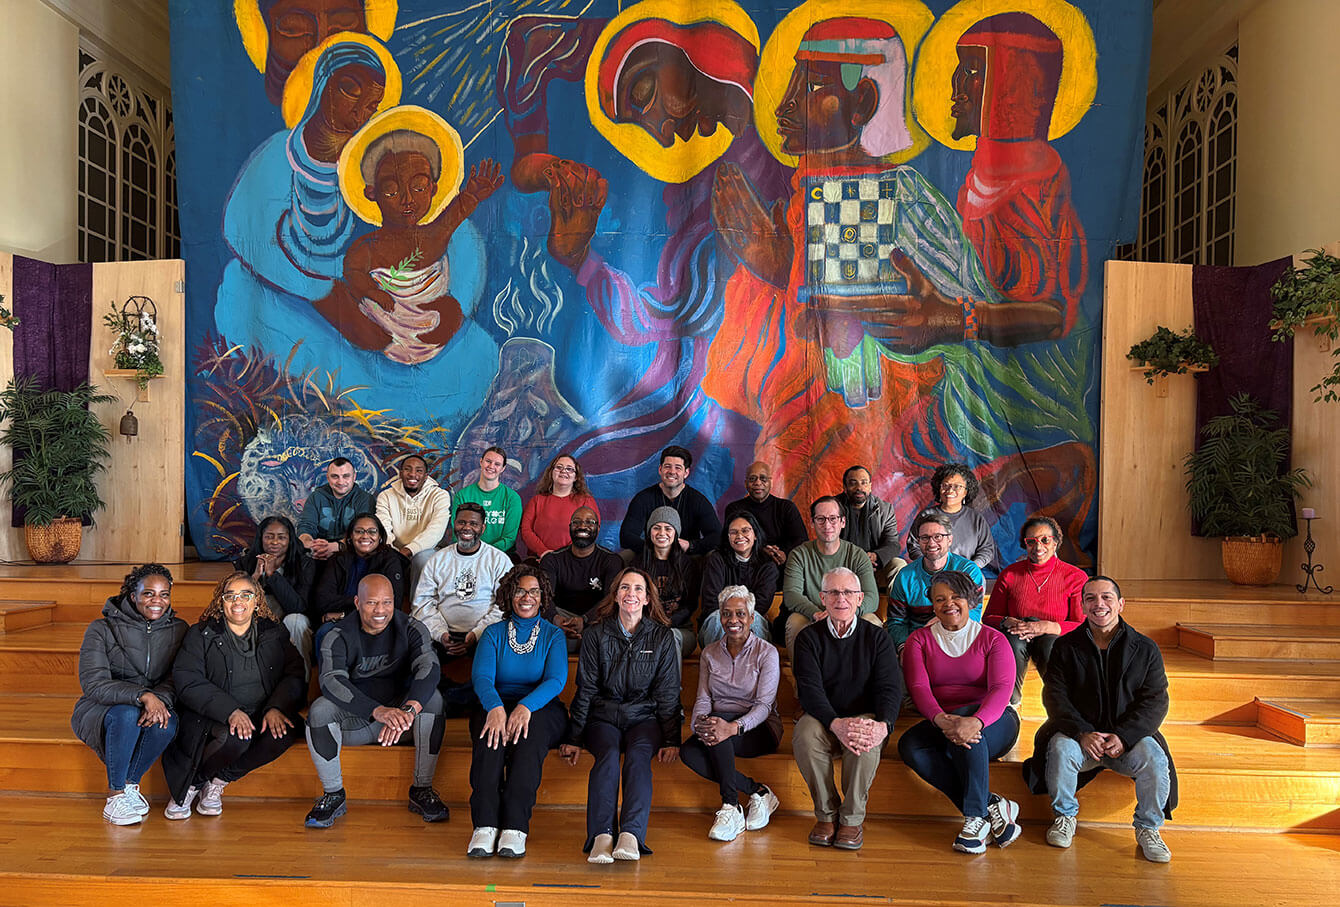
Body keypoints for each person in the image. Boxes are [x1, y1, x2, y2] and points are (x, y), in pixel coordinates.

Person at [1022, 577, 1177, 863]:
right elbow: (1055, 696)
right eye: (1091, 598)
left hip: (1127, 740)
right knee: (1060, 748)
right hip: (1081, 738)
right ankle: (1064, 817)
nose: (1099, 604)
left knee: (1155, 757)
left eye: (1106, 597)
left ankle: (1148, 828)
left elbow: (1155, 702)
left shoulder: (1145, 648)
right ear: (1082, 606)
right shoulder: (1065, 646)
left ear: (1121, 604)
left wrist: (1124, 736)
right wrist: (1082, 733)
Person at [950, 12, 1086, 338]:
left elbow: (1054, 314)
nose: (956, 89)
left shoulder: (1041, 188)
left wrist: (958, 320)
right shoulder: (971, 186)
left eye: (972, 71)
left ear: (1016, 84)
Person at [314, 137, 502, 362]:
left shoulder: (433, 236)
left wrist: (471, 196)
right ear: (372, 193)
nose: (407, 199)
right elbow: (353, 271)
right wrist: (371, 291)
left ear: (433, 189)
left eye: (419, 187)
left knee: (451, 310)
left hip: (429, 325)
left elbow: (457, 212)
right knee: (349, 310)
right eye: (392, 191)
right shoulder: (367, 248)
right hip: (379, 321)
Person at [305, 573, 448, 828]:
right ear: (357, 602)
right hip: (357, 721)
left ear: (395, 601)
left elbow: (429, 668)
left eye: (387, 602)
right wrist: (377, 711)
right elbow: (331, 681)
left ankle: (422, 789)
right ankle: (333, 795)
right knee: (319, 710)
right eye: (372, 603)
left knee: (434, 699)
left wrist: (408, 711)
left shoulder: (412, 628)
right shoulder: (337, 634)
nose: (380, 610)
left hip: (402, 723)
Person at [559, 567, 681, 863]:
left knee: (638, 757)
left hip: (644, 718)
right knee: (609, 756)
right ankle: (601, 836)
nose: (631, 594)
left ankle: (630, 835)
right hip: (603, 717)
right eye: (625, 587)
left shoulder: (662, 637)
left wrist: (671, 738)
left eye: (639, 589)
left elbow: (668, 693)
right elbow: (586, 689)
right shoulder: (595, 634)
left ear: (648, 599)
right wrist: (574, 737)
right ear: (615, 595)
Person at [162, 572, 306, 819]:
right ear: (221, 601)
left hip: (261, 710)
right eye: (230, 596)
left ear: (257, 600)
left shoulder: (274, 631)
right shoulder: (201, 633)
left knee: (283, 732)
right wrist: (230, 711)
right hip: (211, 715)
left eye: (245, 595)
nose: (238, 601)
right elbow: (188, 680)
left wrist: (276, 707)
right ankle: (191, 785)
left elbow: (294, 673)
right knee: (237, 737)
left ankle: (218, 781)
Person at [897, 571, 1022, 853]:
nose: (948, 604)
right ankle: (991, 804)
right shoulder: (918, 640)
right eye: (940, 599)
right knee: (910, 745)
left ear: (971, 600)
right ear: (932, 605)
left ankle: (975, 818)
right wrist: (941, 720)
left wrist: (976, 721)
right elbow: (918, 687)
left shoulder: (993, 639)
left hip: (995, 721)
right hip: (945, 722)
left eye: (956, 597)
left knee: (968, 734)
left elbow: (1001, 689)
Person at [792, 567, 902, 851]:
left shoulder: (878, 638)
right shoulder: (808, 638)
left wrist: (884, 725)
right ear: (822, 598)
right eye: (833, 592)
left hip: (866, 715)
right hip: (824, 718)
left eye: (848, 592)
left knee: (864, 735)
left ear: (860, 598)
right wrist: (835, 723)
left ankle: (851, 819)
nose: (841, 598)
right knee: (804, 733)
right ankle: (827, 815)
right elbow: (809, 690)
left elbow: (890, 688)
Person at [71, 564, 188, 826]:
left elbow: (177, 678)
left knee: (166, 722)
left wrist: (157, 700)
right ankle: (114, 798)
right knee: (126, 715)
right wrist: (143, 696)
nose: (157, 601)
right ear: (133, 595)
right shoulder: (101, 628)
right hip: (102, 706)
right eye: (148, 593)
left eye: (164, 594)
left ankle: (129, 786)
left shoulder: (179, 629)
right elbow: (94, 683)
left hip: (154, 703)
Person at [466, 565, 569, 859]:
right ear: (509, 595)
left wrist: (525, 707)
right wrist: (495, 707)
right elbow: (482, 678)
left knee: (528, 740)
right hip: (495, 702)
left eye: (534, 591)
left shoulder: (553, 635)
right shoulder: (493, 633)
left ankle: (514, 826)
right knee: (490, 739)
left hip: (541, 706)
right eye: (520, 591)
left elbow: (556, 680)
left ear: (543, 596)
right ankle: (485, 825)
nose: (527, 597)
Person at [680, 587, 782, 842]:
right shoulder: (709, 653)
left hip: (759, 729)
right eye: (726, 614)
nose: (732, 620)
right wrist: (699, 725)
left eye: (740, 613)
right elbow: (703, 699)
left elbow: (764, 706)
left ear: (752, 618)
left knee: (720, 730)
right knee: (688, 751)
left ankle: (731, 805)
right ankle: (757, 791)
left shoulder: (767, 652)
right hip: (720, 723)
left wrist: (732, 727)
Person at [983, 516, 1087, 705]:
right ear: (1025, 544)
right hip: (1018, 634)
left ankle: (1061, 704)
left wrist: (1045, 626)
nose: (1038, 547)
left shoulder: (1075, 576)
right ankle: (1010, 704)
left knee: (1050, 645)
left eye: (1045, 540)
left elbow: (1081, 624)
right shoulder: (1010, 574)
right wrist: (1007, 620)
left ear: (1055, 542)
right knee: (1012, 642)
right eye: (1031, 541)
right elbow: (989, 617)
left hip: (1054, 637)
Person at [779, 496, 879, 663]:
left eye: (833, 519)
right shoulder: (799, 555)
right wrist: (816, 613)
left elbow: (871, 597)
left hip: (850, 614)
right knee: (795, 621)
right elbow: (791, 595)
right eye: (821, 519)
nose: (827, 525)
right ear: (812, 523)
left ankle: (866, 678)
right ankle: (802, 678)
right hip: (814, 615)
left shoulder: (858, 555)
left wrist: (844, 614)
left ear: (843, 522)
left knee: (872, 621)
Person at [412, 502, 512, 667]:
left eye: (473, 524)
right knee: (420, 663)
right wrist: (441, 634)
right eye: (461, 522)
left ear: (483, 528)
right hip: (441, 636)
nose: (466, 528)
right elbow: (423, 603)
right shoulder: (437, 560)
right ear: (454, 524)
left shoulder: (499, 560)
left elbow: (504, 605)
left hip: (487, 635)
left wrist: (477, 634)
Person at [309, 513, 409, 665]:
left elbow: (392, 604)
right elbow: (322, 600)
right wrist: (363, 603)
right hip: (342, 624)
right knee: (325, 632)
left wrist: (343, 614)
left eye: (372, 531)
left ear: (380, 536)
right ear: (350, 536)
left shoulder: (390, 560)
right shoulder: (337, 560)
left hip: (376, 621)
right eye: (359, 531)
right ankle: (329, 677)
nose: (365, 536)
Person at [887, 512, 985, 656]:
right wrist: (904, 649)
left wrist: (939, 623)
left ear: (949, 539)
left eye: (938, 537)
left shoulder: (968, 571)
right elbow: (896, 621)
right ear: (918, 541)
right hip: (917, 645)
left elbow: (973, 614)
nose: (931, 543)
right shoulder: (905, 576)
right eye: (925, 538)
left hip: (958, 640)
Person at [233, 515, 316, 674]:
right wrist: (255, 577)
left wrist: (272, 575)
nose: (275, 542)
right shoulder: (246, 562)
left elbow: (298, 607)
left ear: (290, 540)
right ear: (261, 538)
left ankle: (300, 678)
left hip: (289, 620)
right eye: (269, 537)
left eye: (281, 537)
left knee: (296, 620)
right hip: (258, 618)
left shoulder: (304, 564)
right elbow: (237, 603)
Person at [538, 506, 624, 654]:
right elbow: (543, 595)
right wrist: (555, 619)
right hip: (560, 619)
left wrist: (584, 620)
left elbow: (610, 599)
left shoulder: (611, 561)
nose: (583, 526)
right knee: (548, 636)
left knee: (604, 638)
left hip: (596, 620)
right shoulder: (552, 560)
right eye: (577, 522)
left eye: (590, 522)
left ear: (598, 528)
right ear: (570, 527)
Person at [619, 446, 722, 557]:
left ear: (686, 473)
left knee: (713, 555)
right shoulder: (643, 499)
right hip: (652, 555)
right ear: (660, 469)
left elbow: (717, 536)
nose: (672, 472)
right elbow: (626, 536)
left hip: (687, 557)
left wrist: (691, 545)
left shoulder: (698, 501)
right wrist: (654, 548)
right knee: (626, 555)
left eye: (678, 468)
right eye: (667, 466)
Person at [698, 510, 777, 646]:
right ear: (728, 537)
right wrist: (731, 617)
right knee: (717, 619)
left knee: (754, 619)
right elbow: (710, 601)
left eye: (745, 531)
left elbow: (761, 604)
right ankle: (717, 660)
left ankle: (751, 661)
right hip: (718, 618)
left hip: (753, 617)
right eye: (734, 532)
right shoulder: (716, 560)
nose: (740, 536)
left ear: (755, 535)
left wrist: (738, 617)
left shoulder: (767, 565)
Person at [376, 454, 453, 592]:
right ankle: (390, 603)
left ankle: (417, 604)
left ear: (426, 476)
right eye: (407, 469)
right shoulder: (386, 496)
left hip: (427, 549)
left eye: (419, 470)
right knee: (381, 557)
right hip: (394, 549)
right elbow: (383, 527)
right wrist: (392, 552)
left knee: (421, 559)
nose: (412, 474)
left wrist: (408, 551)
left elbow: (435, 531)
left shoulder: (440, 495)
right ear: (401, 473)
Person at [905, 464, 997, 570]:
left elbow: (987, 549)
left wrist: (971, 567)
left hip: (966, 574)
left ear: (966, 491)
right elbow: (914, 546)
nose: (950, 490)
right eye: (945, 485)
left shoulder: (976, 519)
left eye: (957, 486)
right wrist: (931, 566)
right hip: (931, 573)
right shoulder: (926, 516)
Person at [637, 507, 701, 657]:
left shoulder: (687, 565)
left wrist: (665, 624)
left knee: (669, 639)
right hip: (644, 630)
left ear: (676, 533)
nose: (662, 533)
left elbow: (690, 605)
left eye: (668, 528)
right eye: (656, 528)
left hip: (680, 630)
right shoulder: (638, 563)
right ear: (649, 532)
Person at [723, 461, 808, 566]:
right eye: (752, 479)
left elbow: (801, 540)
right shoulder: (735, 509)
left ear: (771, 482)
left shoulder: (786, 507)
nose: (758, 483)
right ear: (745, 483)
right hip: (747, 564)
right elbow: (729, 541)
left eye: (763, 478)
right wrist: (762, 551)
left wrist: (784, 553)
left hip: (782, 563)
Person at [296, 457, 377, 560]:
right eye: (335, 476)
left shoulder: (365, 499)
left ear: (354, 477)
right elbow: (306, 526)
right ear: (328, 477)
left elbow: (363, 535)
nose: (340, 482)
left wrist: (336, 547)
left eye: (346, 476)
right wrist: (310, 543)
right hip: (317, 552)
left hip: (351, 552)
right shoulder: (316, 497)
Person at [520, 454, 599, 559]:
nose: (563, 471)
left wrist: (568, 554)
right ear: (551, 472)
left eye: (569, 469)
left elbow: (592, 529)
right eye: (559, 467)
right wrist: (543, 552)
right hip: (540, 559)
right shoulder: (537, 500)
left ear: (576, 477)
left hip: (574, 559)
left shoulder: (586, 501)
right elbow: (526, 530)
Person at [836, 465, 903, 585]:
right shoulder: (833, 507)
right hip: (843, 565)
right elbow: (828, 541)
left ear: (870, 486)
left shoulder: (885, 509)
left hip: (875, 565)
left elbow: (893, 543)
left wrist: (875, 556)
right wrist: (858, 560)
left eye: (864, 483)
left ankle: (893, 599)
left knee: (898, 565)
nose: (859, 488)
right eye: (853, 483)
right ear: (845, 487)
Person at [454, 446, 523, 557]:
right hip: (467, 553)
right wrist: (472, 553)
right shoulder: (463, 495)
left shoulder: (512, 498)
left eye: (497, 464)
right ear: (481, 462)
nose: (491, 466)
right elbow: (456, 532)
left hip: (500, 555)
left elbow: (509, 539)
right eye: (488, 461)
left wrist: (483, 554)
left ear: (503, 468)